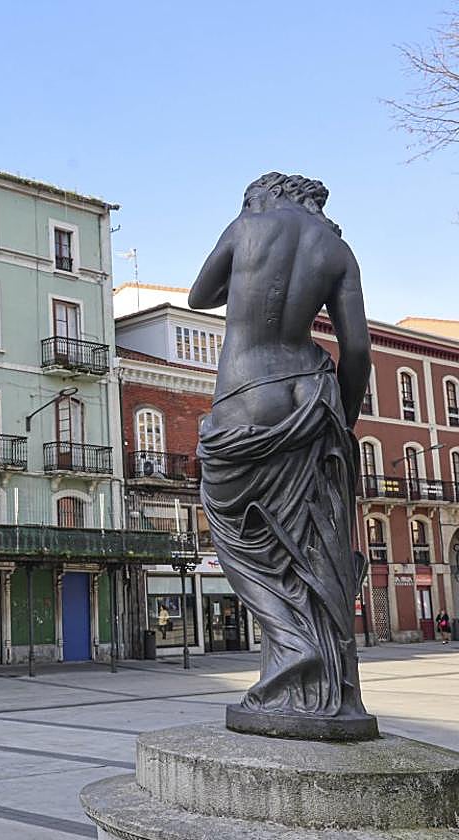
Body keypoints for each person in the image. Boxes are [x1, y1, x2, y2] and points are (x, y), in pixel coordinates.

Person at [191, 172, 373, 737]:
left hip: (248, 392)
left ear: (266, 194)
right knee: (312, 544)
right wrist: (342, 415)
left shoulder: (246, 226)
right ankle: (326, 689)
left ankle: (291, 661)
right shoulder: (337, 250)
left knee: (239, 537)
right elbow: (359, 349)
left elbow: (200, 297)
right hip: (311, 390)